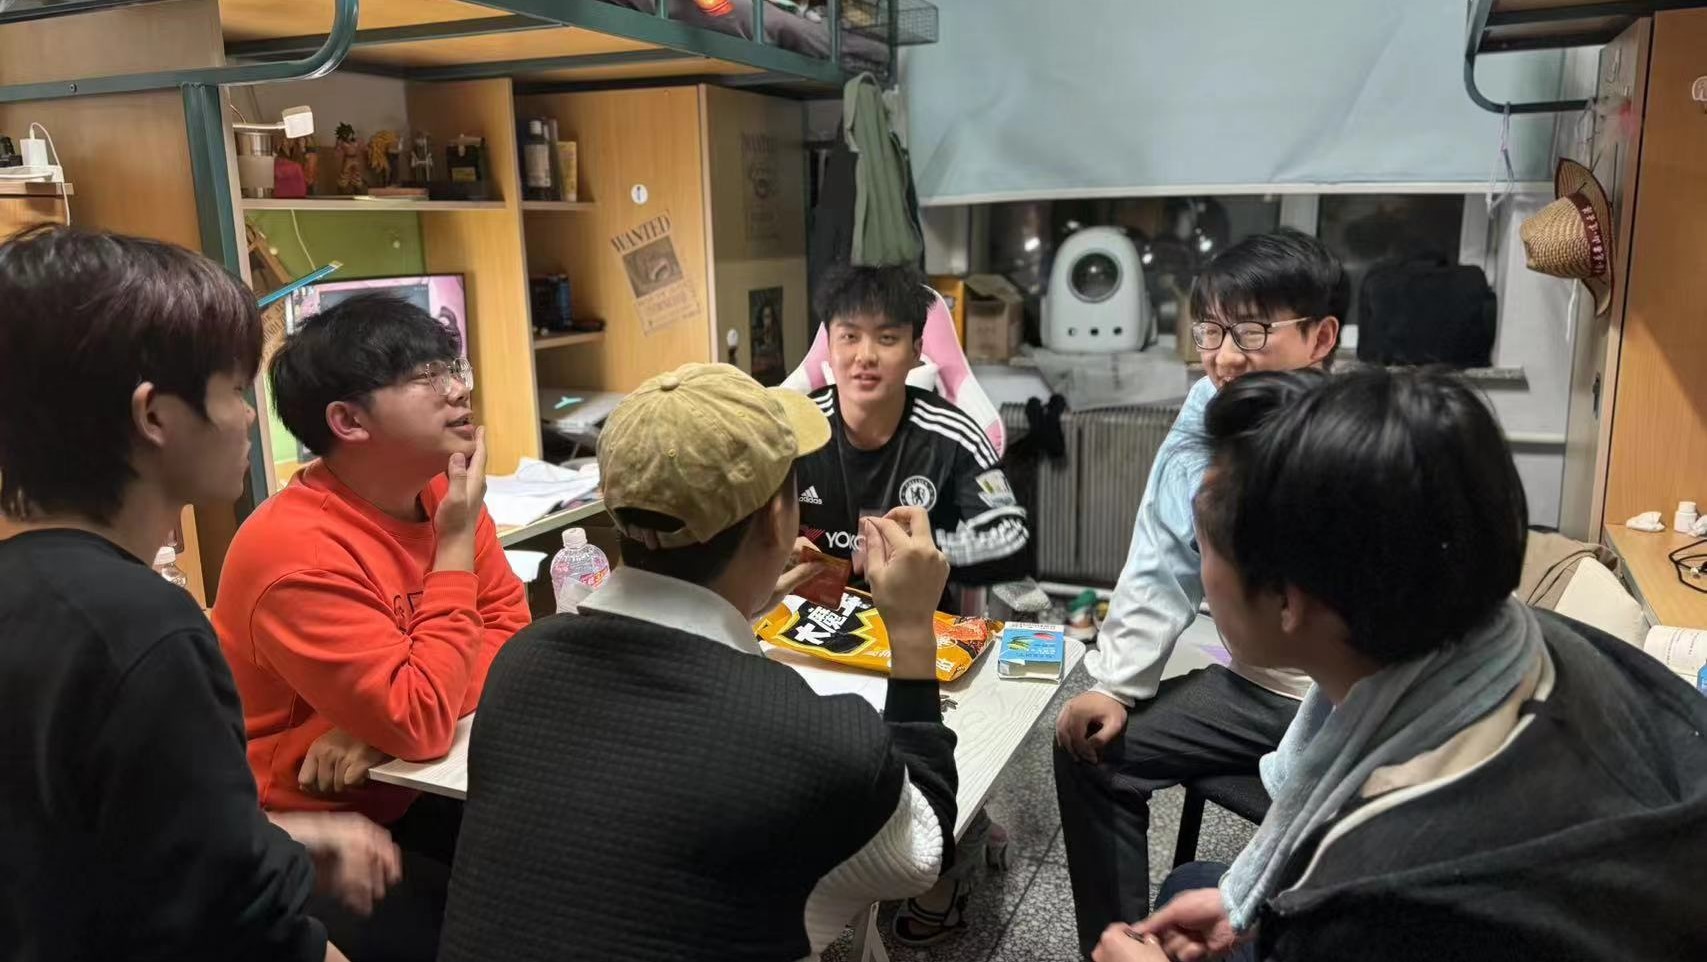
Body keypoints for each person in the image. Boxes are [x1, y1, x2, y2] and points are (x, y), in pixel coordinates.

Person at [1102, 367, 1707, 962]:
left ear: (1287, 600)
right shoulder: (1540, 640)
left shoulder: (1377, 895)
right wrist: (1246, 906)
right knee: (1193, 887)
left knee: (1179, 892)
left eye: (1203, 545)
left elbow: (1380, 919)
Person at [438, 363, 959, 962]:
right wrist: (912, 630)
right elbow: (923, 850)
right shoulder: (815, 740)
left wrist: (738, 606)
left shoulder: (521, 665)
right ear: (778, 520)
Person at [0, 226, 397, 962]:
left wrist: (281, 841)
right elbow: (242, 929)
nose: (249, 416)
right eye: (233, 390)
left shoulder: (34, 593)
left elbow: (79, 844)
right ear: (154, 415)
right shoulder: (145, 629)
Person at [1053, 228, 1343, 956]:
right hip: (1257, 688)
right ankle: (1118, 946)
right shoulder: (1209, 402)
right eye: (1210, 330)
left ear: (1321, 338)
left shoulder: (1355, 434)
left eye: (1251, 331)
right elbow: (1162, 547)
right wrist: (1117, 685)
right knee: (1089, 746)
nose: (1224, 357)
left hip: (1349, 698)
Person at [213, 293, 530, 960]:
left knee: (565, 874)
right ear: (348, 421)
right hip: (305, 826)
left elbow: (513, 633)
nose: (458, 389)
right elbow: (417, 718)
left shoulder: (443, 491)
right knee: (482, 935)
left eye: (452, 367)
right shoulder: (294, 552)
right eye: (426, 377)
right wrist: (452, 549)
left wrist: (376, 730)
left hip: (403, 784)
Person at [793, 263, 1033, 944]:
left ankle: (951, 850)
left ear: (917, 350)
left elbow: (1009, 534)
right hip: (816, 631)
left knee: (932, 748)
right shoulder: (796, 429)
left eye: (886, 338)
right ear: (828, 346)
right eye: (848, 337)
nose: (864, 356)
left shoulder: (950, 433)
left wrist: (927, 556)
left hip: (923, 635)